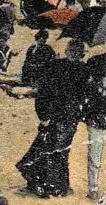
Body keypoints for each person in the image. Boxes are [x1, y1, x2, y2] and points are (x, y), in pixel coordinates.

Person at [16, 40, 88, 198]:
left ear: (81, 54)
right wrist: (43, 115)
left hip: (68, 118)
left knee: (60, 151)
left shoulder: (83, 69)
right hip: (54, 115)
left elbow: (83, 95)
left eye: (77, 52)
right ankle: (41, 184)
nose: (74, 54)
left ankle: (57, 185)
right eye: (72, 50)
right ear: (67, 50)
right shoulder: (56, 66)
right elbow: (43, 92)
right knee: (46, 149)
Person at [86, 51, 106, 200]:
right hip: (98, 118)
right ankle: (93, 188)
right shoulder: (95, 62)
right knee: (95, 156)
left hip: (97, 117)